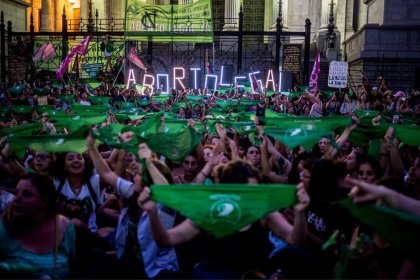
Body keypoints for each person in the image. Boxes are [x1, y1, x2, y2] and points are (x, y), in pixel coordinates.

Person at [138, 159, 310, 279]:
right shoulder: (211, 211)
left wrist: (300, 213)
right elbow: (166, 239)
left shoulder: (263, 212)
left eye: (256, 190)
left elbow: (295, 239)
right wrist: (152, 213)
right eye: (248, 192)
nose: (253, 197)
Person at [0, 173, 76, 278]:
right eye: (16, 193)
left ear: (46, 201)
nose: (16, 199)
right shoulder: (4, 229)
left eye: (27, 194)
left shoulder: (66, 228)